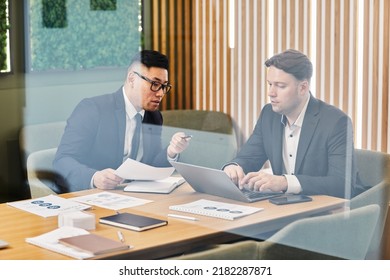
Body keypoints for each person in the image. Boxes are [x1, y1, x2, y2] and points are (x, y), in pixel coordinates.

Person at [223, 49, 365, 199]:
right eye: (270, 84)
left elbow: (342, 184)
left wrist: (285, 182)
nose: (271, 92)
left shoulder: (336, 122)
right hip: (285, 206)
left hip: (325, 210)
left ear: (303, 88)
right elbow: (249, 157)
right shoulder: (268, 114)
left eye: (280, 86)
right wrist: (234, 167)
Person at [53, 50, 190, 193]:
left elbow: (152, 167)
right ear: (132, 79)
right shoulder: (93, 109)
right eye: (155, 84)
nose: (161, 93)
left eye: (164, 86)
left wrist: (172, 151)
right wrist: (94, 177)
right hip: (89, 195)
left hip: (132, 196)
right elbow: (62, 161)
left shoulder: (154, 116)